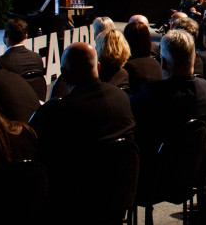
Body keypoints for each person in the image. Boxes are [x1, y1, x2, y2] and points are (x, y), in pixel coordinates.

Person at [29, 42, 136, 179]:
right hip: (119, 187)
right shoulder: (122, 98)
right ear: (97, 66)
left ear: (64, 74)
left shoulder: (56, 111)